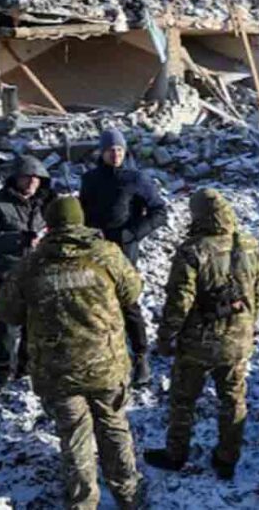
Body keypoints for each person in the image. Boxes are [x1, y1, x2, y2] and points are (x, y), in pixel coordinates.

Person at [0, 196, 144, 510]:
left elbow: (8, 312)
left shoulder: (31, 263)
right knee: (114, 426)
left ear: (48, 224)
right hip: (106, 364)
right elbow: (132, 293)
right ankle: (128, 494)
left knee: (75, 437)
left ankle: (82, 502)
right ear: (82, 221)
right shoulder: (106, 255)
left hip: (57, 370)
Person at [145, 188, 259, 479]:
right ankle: (227, 459)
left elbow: (179, 301)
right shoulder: (249, 245)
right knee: (233, 399)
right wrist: (248, 327)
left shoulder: (193, 250)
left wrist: (166, 336)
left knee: (183, 399)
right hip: (238, 340)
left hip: (198, 343)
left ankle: (176, 454)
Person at [80, 128, 167, 388]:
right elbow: (83, 211)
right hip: (95, 248)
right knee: (96, 302)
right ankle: (102, 353)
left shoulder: (136, 179)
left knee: (128, 301)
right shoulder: (90, 179)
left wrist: (134, 233)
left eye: (119, 150)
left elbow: (159, 211)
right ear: (102, 152)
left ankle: (140, 357)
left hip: (124, 248)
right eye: (110, 150)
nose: (115, 154)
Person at [0, 155, 52, 390]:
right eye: (26, 177)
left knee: (35, 322)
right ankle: (3, 370)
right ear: (15, 178)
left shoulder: (47, 201)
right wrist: (19, 239)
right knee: (8, 324)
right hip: (7, 271)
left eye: (36, 177)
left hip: (39, 270)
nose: (32, 182)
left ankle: (25, 367)